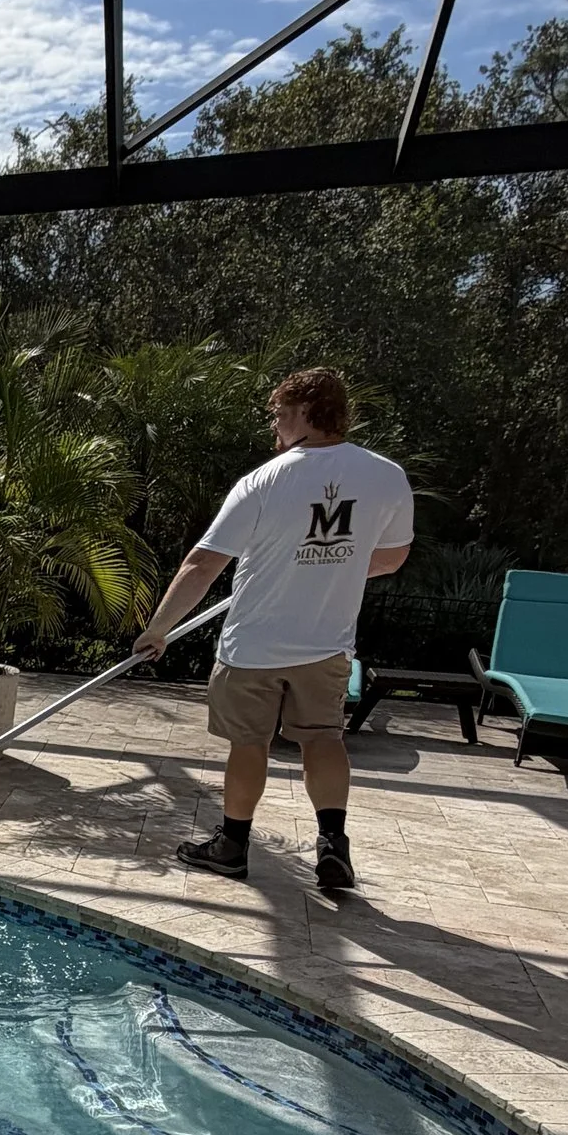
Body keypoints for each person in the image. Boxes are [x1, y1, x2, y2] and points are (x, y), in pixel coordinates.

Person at [131, 365, 413, 895]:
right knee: (324, 738)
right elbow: (393, 556)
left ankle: (232, 846)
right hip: (326, 644)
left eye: (281, 416)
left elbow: (202, 563)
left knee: (248, 743)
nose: (276, 429)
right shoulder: (386, 475)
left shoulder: (265, 480)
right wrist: (337, 566)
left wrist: (159, 629)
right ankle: (333, 844)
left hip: (253, 645)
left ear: (306, 412)